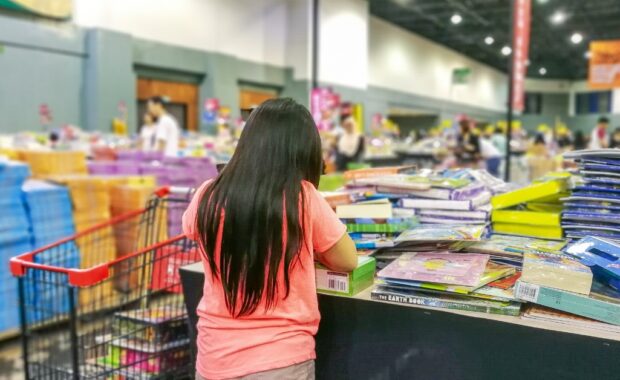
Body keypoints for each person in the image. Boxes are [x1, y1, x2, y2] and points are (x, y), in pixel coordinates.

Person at [182, 98, 358, 380]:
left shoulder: (207, 194)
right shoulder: (303, 197)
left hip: (213, 357)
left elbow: (194, 231)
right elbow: (348, 260)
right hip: (281, 360)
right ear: (304, 151)